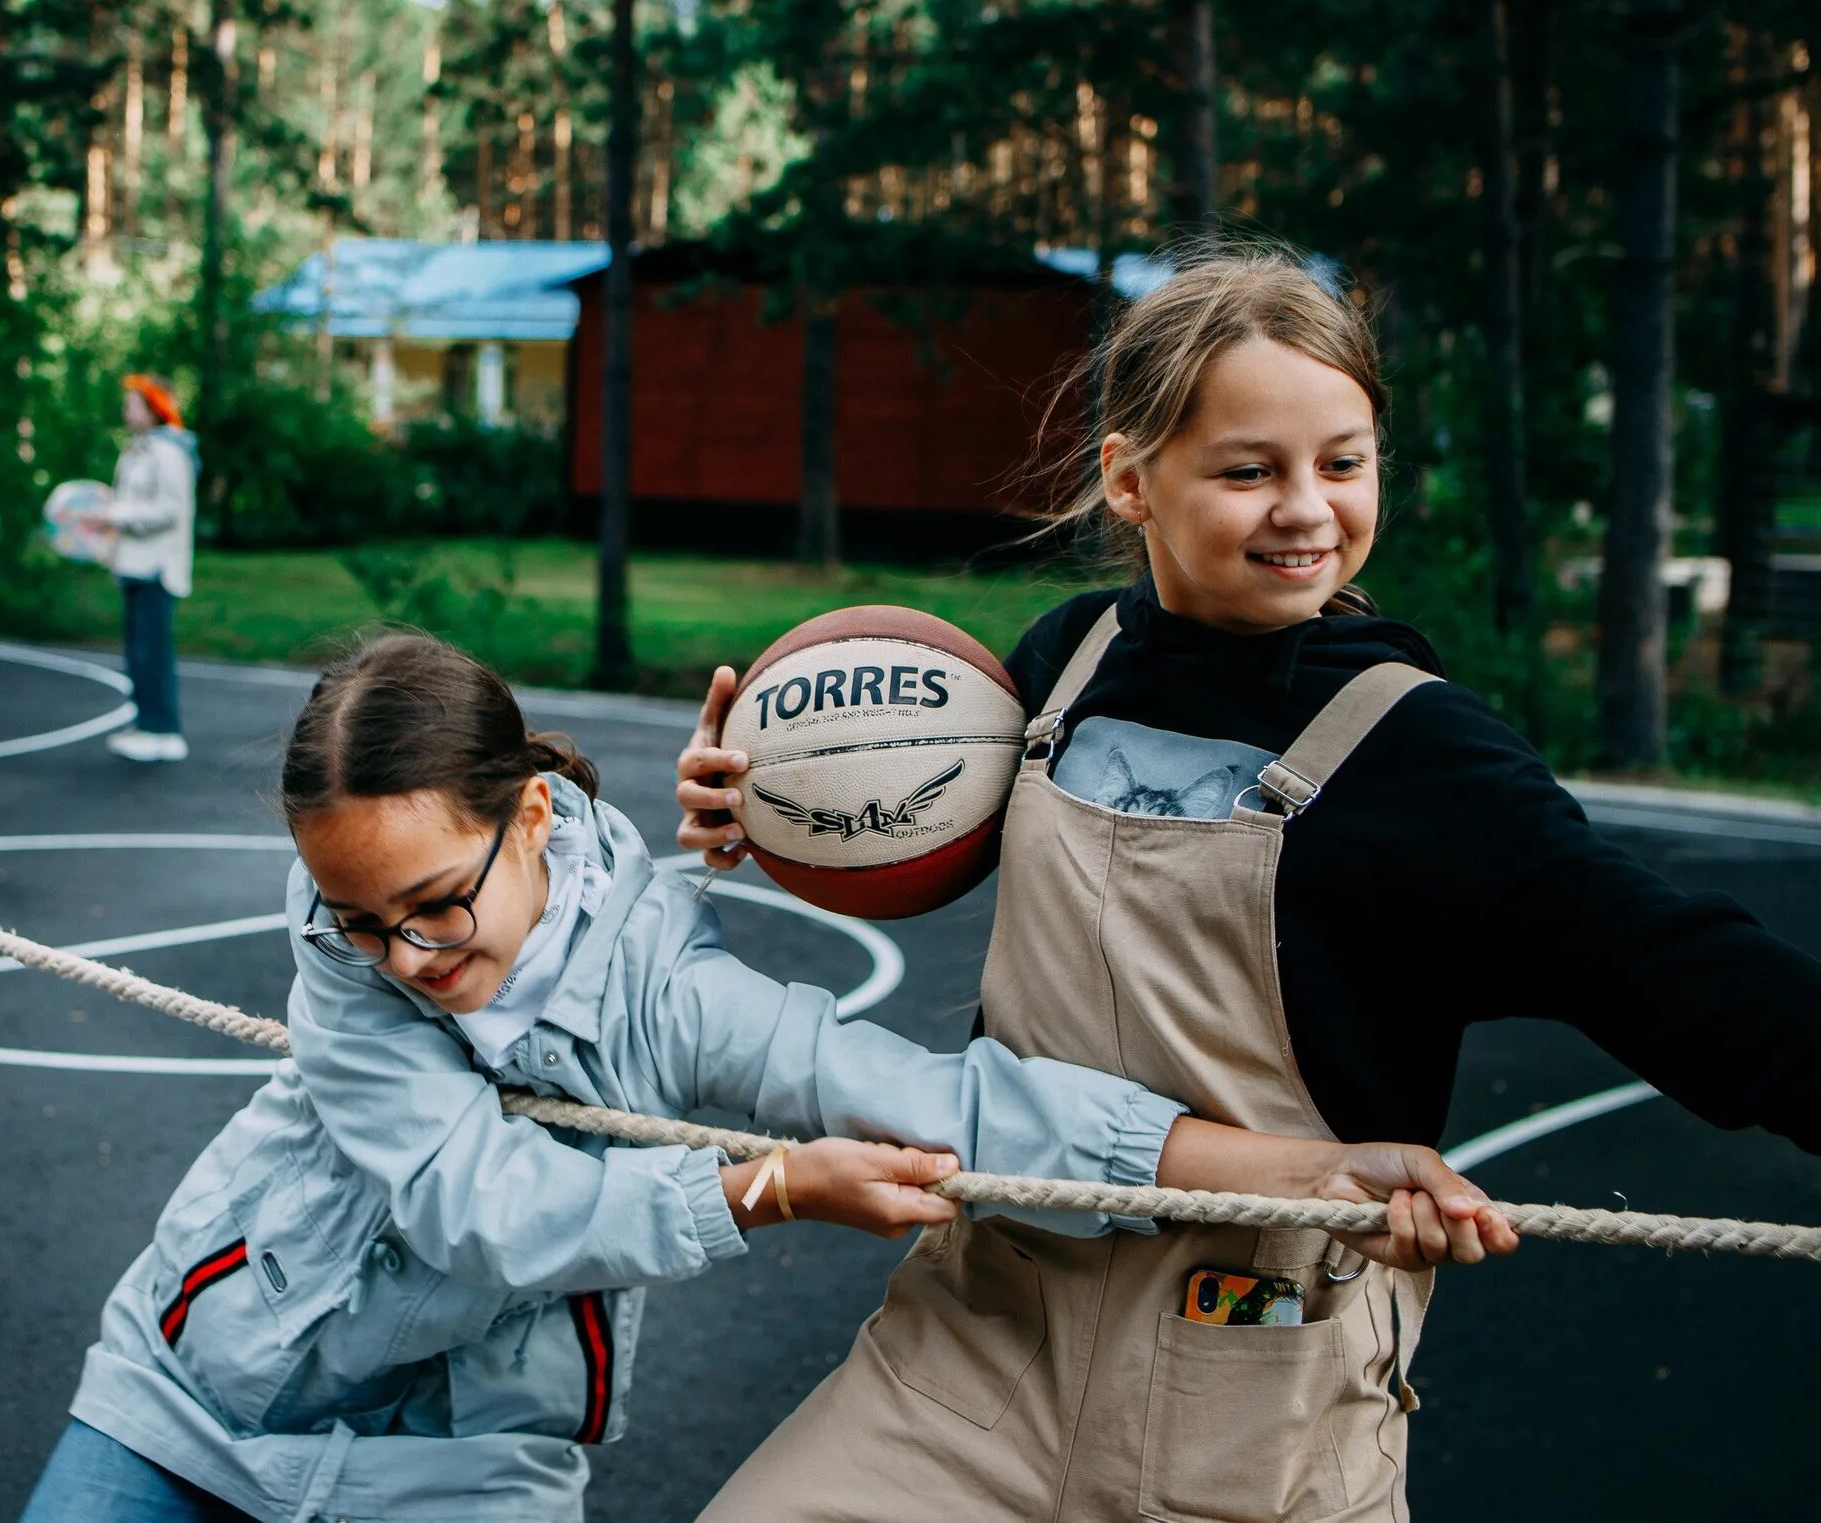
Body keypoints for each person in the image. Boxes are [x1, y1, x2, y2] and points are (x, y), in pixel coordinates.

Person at [676, 246, 1821, 1522]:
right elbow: (913, 837)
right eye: (1248, 470)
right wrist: (765, 805)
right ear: (1129, 480)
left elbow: (1682, 973)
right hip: (976, 1343)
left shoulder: (1424, 757)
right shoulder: (1062, 668)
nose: (1307, 509)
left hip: (1253, 1407)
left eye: (1343, 461)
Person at [19, 630, 1510, 1523]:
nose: (401, 951)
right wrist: (763, 1188)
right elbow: (477, 1205)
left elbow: (951, 1100)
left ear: (532, 811)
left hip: (472, 1457)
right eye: (358, 913)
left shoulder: (668, 986)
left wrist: (1310, 1173)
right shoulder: (346, 972)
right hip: (198, 1391)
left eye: (433, 902)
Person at [105, 373, 196, 763]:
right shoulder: (137, 450)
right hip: (133, 564)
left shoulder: (169, 453)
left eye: (133, 404)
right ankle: (145, 724)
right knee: (137, 651)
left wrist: (118, 515)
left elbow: (169, 510)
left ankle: (163, 729)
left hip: (157, 566)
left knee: (152, 650)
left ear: (153, 408)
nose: (126, 410)